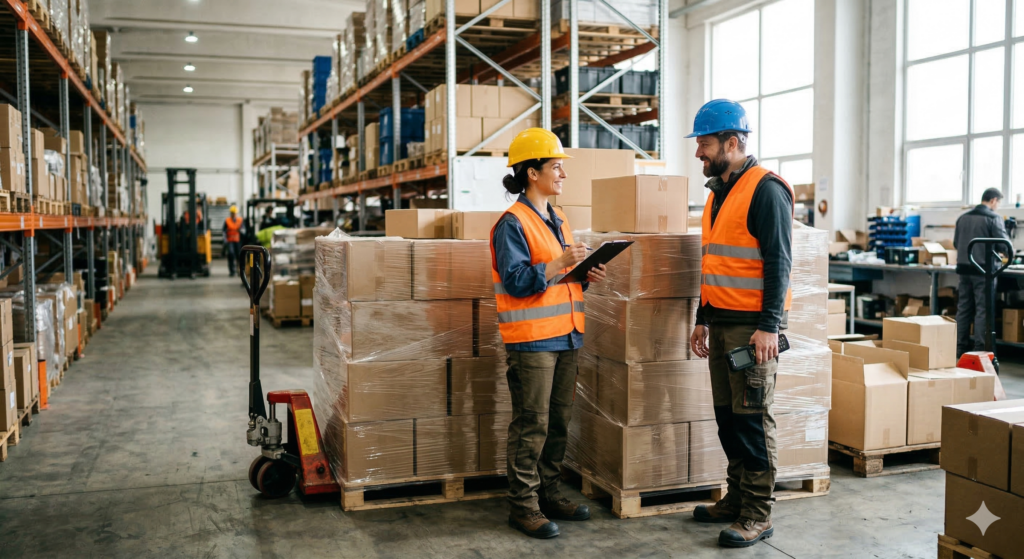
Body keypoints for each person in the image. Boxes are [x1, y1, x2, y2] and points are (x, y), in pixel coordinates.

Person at [686, 99, 794, 548]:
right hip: (722, 324)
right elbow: (715, 263)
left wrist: (770, 326)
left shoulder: (765, 189)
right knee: (727, 418)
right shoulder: (718, 192)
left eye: (705, 144)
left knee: (752, 420)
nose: (699, 154)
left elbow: (779, 263)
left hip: (753, 330)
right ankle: (735, 498)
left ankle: (757, 512)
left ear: (733, 142)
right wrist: (701, 318)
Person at [490, 128, 607, 539]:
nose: (563, 174)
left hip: (568, 335)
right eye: (556, 167)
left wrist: (584, 275)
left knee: (558, 422)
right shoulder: (512, 224)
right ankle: (523, 506)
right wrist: (560, 263)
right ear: (532, 172)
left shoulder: (559, 219)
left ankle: (549, 493)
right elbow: (518, 280)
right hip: (533, 341)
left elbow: (561, 279)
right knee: (531, 424)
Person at [954, 187, 1009, 357]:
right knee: (982, 310)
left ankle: (959, 348)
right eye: (998, 203)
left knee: (963, 308)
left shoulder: (962, 218)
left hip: (964, 268)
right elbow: (1004, 246)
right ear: (993, 200)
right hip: (983, 271)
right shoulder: (993, 218)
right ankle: (979, 351)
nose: (997, 206)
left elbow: (956, 243)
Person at [224, 205, 243, 276]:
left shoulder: (240, 220)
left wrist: (241, 230)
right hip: (230, 241)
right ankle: (232, 271)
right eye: (232, 213)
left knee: (239, 255)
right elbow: (224, 231)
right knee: (231, 254)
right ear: (230, 213)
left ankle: (239, 270)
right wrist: (225, 240)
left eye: (234, 213)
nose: (233, 214)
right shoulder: (227, 221)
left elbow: (243, 230)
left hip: (238, 241)